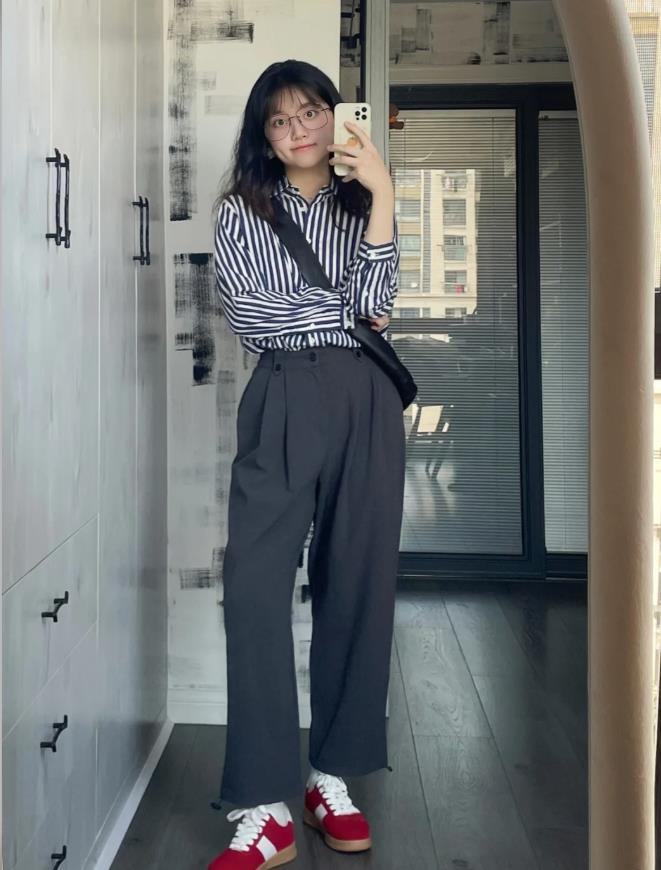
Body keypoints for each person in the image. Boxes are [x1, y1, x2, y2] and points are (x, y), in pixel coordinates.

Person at [208, 58, 405, 870]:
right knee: (254, 591)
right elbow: (251, 315)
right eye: (280, 120)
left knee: (356, 584)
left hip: (365, 400)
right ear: (263, 135)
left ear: (334, 115)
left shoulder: (365, 204)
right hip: (284, 394)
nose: (299, 130)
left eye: (312, 112)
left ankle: (330, 776)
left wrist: (383, 194)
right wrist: (344, 306)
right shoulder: (240, 211)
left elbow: (382, 302)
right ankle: (264, 806)